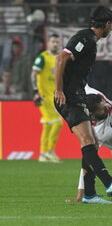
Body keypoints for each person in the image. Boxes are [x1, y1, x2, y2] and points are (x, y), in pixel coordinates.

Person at [54, 6, 112, 204]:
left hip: (77, 95)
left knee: (92, 143)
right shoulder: (85, 38)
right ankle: (109, 182)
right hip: (69, 97)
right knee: (88, 141)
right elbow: (61, 57)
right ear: (106, 24)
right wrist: (59, 89)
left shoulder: (90, 41)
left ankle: (88, 194)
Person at [31, 34, 63, 163]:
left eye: (57, 41)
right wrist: (35, 92)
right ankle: (49, 151)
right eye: (53, 41)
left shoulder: (60, 58)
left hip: (55, 96)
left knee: (48, 126)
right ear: (48, 43)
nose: (55, 44)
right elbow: (33, 75)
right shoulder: (42, 58)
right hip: (44, 97)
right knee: (57, 122)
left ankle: (43, 153)